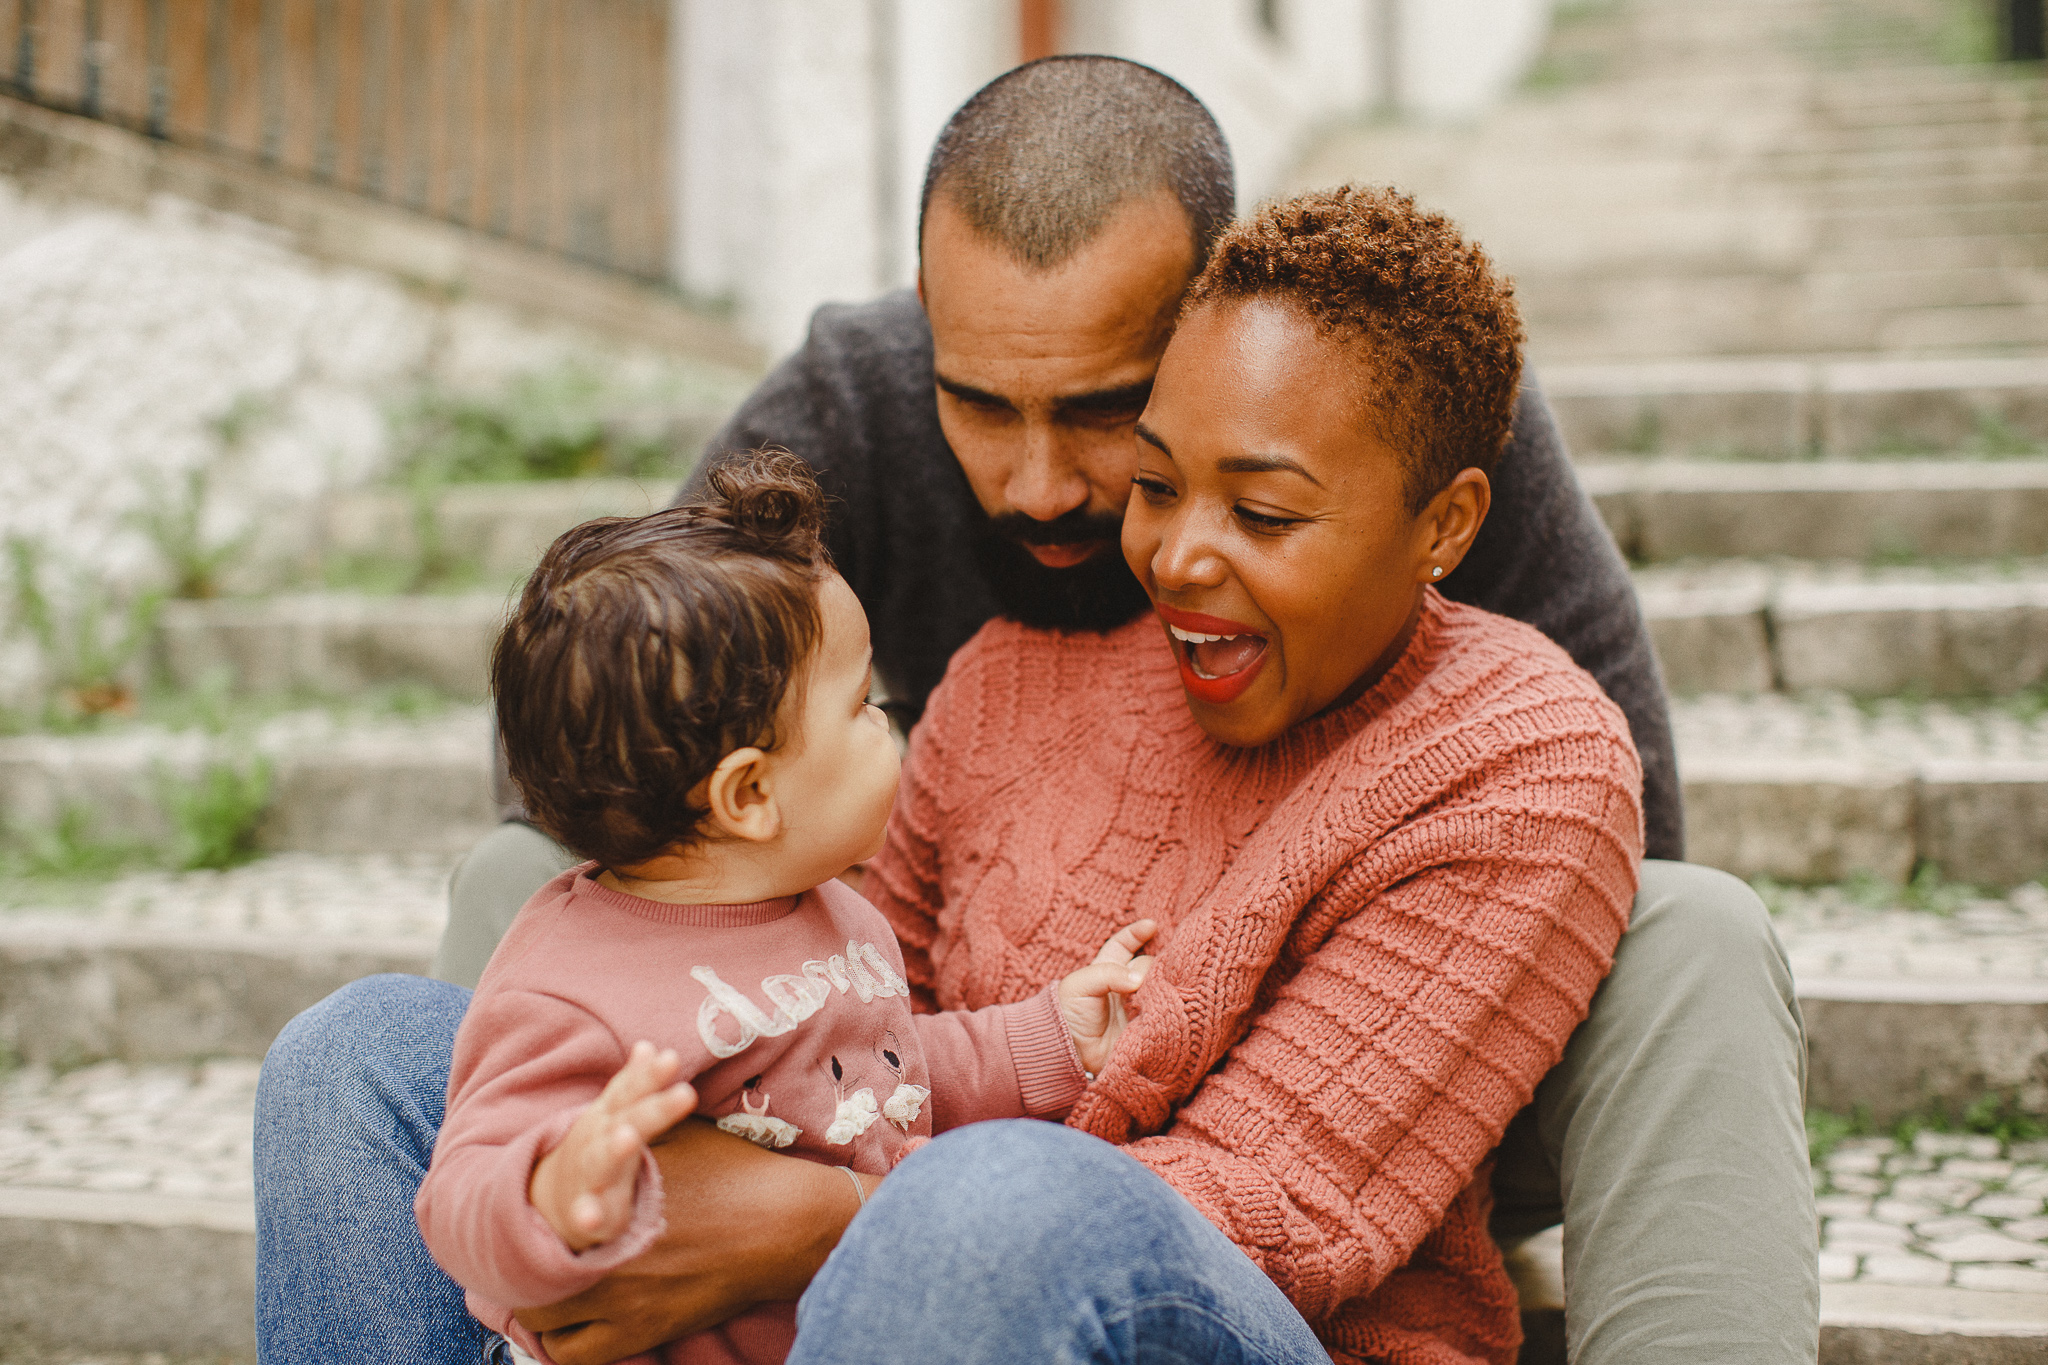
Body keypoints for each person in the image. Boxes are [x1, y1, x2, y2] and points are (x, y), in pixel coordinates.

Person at [257, 57, 1815, 1365]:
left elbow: (1589, 838)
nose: (1044, 487)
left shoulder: (1417, 453)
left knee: (1691, 925)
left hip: (1308, 1149)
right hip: (904, 1115)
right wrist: (717, 1152)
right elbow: (621, 754)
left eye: (1112, 419)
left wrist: (826, 1209)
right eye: (982, 408)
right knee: (373, 1045)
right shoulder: (927, 539)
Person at [414, 453, 1155, 1365]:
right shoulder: (568, 983)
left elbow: (893, 1078)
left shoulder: (831, 915)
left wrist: (1049, 1037)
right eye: (861, 704)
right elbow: (458, 1190)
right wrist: (553, 1193)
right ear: (749, 795)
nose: (887, 723)